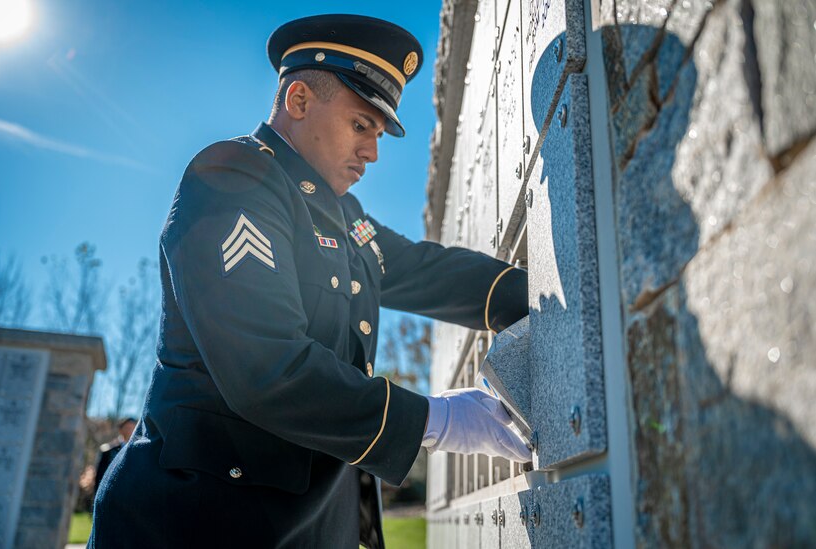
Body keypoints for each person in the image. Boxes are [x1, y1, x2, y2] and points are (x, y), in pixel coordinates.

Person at [90, 14, 530, 548]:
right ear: (298, 101)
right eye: (361, 125)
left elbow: (423, 270)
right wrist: (439, 420)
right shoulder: (233, 178)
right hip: (198, 524)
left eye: (379, 133)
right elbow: (267, 367)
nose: (372, 151)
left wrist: (544, 299)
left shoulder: (342, 215)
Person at [92, 417, 136, 500]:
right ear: (121, 429)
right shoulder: (108, 450)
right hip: (110, 493)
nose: (131, 431)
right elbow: (100, 475)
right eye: (128, 428)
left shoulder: (137, 451)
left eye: (133, 428)